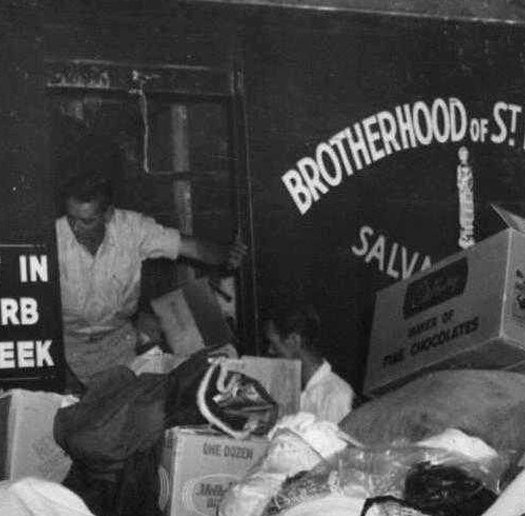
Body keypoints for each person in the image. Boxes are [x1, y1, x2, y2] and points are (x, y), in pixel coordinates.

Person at [56, 172, 244, 389]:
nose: (76, 229)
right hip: (67, 348)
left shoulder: (133, 229)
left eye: (87, 221)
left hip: (118, 345)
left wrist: (230, 255)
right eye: (71, 219)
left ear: (108, 214)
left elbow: (193, 248)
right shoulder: (52, 236)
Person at [259, 299, 356, 425]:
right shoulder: (289, 390)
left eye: (273, 343)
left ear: (294, 340)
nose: (270, 351)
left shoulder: (336, 395)